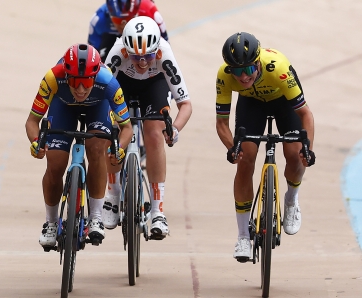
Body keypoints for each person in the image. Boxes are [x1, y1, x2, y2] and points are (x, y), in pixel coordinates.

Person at [215, 32, 315, 261]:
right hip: (251, 104)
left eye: (248, 69)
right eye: (237, 71)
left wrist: (307, 148)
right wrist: (233, 148)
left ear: (258, 62)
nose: (243, 77)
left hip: (283, 102)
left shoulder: (277, 67)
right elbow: (221, 123)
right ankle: (242, 236)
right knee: (245, 159)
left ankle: (291, 199)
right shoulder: (224, 75)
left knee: (295, 155)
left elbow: (305, 114)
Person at [25, 43, 133, 249]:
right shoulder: (52, 78)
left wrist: (119, 149)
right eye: (74, 82)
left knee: (97, 149)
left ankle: (96, 216)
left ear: (95, 77)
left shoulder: (108, 82)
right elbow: (32, 121)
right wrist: (36, 142)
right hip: (63, 107)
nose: (81, 89)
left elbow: (127, 128)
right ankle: (51, 222)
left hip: (97, 108)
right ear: (66, 76)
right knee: (55, 163)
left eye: (86, 83)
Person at [104, 16, 193, 239]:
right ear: (127, 50)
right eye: (136, 56)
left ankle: (157, 211)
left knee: (154, 134)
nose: (143, 62)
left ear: (156, 49)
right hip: (122, 84)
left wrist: (175, 130)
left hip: (153, 86)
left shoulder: (164, 52)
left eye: (148, 56)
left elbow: (185, 105)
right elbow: (100, 95)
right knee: (113, 132)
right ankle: (112, 194)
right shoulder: (118, 52)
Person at [88, 0, 169, 62]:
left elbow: (166, 47)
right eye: (118, 20)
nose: (123, 25)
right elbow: (93, 56)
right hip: (111, 40)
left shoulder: (150, 10)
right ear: (109, 14)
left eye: (129, 19)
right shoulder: (98, 19)